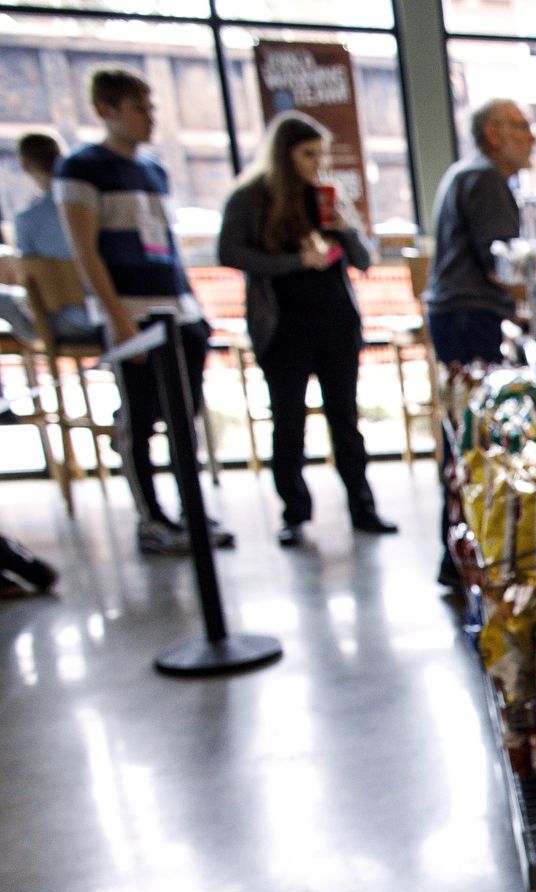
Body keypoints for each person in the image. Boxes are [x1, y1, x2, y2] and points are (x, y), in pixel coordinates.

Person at [55, 66, 233, 556]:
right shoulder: (81, 169)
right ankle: (150, 517)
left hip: (177, 310)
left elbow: (163, 245)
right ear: (107, 111)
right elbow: (85, 251)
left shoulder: (153, 169)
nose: (150, 118)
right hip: (132, 314)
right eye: (139, 109)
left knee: (184, 415)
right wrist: (118, 321)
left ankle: (190, 512)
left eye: (151, 108)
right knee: (139, 420)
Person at [218, 112, 396, 547]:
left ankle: (362, 506)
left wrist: (342, 228)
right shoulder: (250, 199)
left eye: (321, 154)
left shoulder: (326, 197)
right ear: (285, 153)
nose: (316, 162)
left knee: (345, 419)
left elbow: (363, 260)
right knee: (289, 422)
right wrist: (294, 262)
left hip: (334, 321)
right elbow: (229, 252)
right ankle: (294, 512)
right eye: (308, 153)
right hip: (283, 325)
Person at [423, 99, 535, 367]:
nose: (531, 137)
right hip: (469, 316)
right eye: (521, 127)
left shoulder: (470, 171)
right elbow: (501, 265)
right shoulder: (485, 176)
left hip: (460, 314)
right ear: (493, 134)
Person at [2, 132, 94, 346]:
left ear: (25, 165)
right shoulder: (88, 203)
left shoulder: (27, 219)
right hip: (104, 311)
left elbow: (30, 274)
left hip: (59, 321)